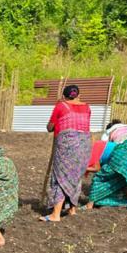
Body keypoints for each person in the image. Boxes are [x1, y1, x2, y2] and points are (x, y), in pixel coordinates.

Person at [40, 85, 92, 222]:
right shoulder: (87, 107)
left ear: (64, 96)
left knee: (61, 175)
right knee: (75, 174)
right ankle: (71, 209)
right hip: (85, 144)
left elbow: (50, 127)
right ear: (78, 95)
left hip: (67, 144)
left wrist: (58, 109)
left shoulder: (61, 106)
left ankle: (55, 214)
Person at [85, 136, 127, 212]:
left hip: (120, 157)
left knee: (98, 178)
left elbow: (97, 168)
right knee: (124, 181)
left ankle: (89, 205)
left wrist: (83, 169)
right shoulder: (100, 144)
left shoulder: (93, 149)